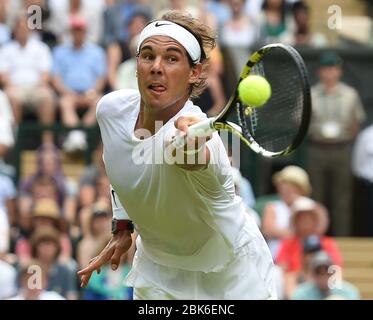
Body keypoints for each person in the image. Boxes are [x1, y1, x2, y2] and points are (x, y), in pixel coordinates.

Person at [78, 10, 276, 300]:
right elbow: (120, 163)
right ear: (136, 65)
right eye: (147, 56)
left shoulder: (198, 141)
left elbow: (192, 158)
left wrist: (190, 144)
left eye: (172, 58)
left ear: (194, 73)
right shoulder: (111, 110)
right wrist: (122, 225)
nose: (157, 67)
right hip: (159, 272)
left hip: (232, 276)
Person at [308, 51, 366, 236]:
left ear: (339, 71)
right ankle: (315, 239)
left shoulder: (350, 95)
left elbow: (357, 122)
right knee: (316, 196)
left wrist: (345, 135)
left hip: (341, 149)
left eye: (333, 68)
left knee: (342, 198)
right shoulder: (311, 94)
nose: (330, 72)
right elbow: (300, 121)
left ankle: (343, 239)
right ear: (320, 71)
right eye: (326, 68)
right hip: (317, 148)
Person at [291, 251, 360, 300]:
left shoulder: (348, 291)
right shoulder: (301, 294)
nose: (323, 276)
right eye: (318, 272)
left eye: (327, 271)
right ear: (312, 274)